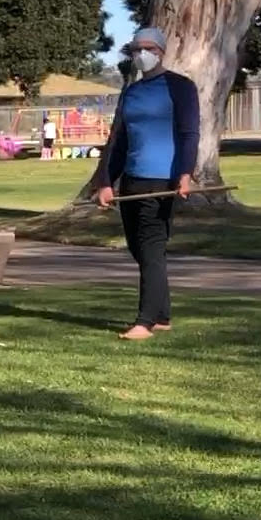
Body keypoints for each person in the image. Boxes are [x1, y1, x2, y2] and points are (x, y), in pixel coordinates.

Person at [95, 26, 198, 341]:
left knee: (152, 247)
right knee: (138, 248)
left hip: (162, 181)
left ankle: (145, 321)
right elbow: (118, 141)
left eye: (149, 48)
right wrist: (105, 181)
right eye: (137, 48)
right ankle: (162, 314)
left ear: (161, 51)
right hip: (131, 180)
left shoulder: (180, 87)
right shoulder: (130, 92)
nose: (142, 53)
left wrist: (185, 173)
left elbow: (189, 133)